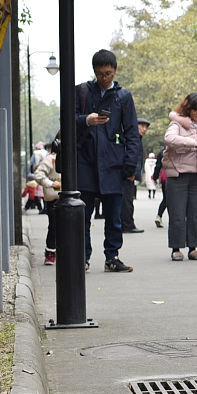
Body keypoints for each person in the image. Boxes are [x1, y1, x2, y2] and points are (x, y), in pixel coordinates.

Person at [75, 49, 140, 272]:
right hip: (86, 162)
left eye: (109, 73)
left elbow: (132, 132)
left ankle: (112, 257)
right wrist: (86, 120)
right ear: (94, 71)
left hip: (114, 163)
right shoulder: (82, 92)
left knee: (114, 216)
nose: (105, 78)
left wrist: (131, 166)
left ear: (115, 71)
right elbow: (68, 121)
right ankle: (82, 258)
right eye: (101, 73)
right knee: (83, 216)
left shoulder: (123, 97)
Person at [163, 95, 197, 261]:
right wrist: (193, 143)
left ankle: (194, 248)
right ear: (188, 108)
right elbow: (169, 139)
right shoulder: (177, 123)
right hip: (178, 174)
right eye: (195, 109)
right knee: (177, 213)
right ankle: (176, 248)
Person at [31, 138, 61, 265]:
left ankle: (65, 251)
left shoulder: (78, 157)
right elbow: (38, 174)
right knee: (54, 226)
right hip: (54, 198)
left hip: (70, 198)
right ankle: (50, 252)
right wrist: (50, 183)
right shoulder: (51, 159)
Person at [121, 117, 150, 234]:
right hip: (128, 174)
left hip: (130, 174)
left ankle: (127, 223)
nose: (144, 129)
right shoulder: (132, 139)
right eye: (141, 126)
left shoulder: (137, 139)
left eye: (146, 127)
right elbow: (132, 157)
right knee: (127, 200)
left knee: (128, 200)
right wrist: (131, 172)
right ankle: (127, 224)